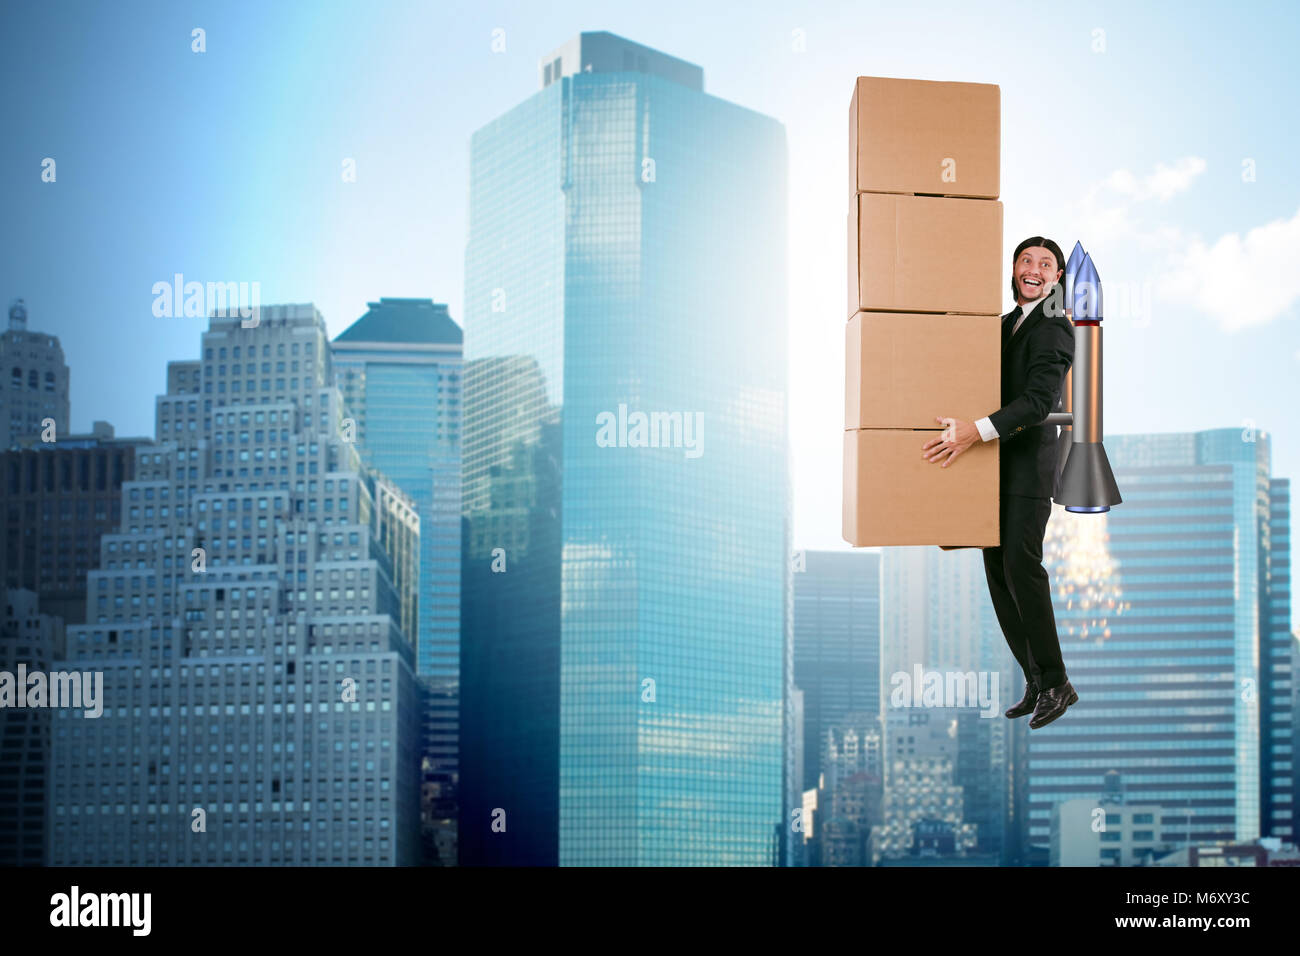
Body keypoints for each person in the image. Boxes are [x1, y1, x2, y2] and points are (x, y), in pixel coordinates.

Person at [920, 236, 1077, 729]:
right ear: (1013, 270)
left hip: (1028, 468)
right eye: (1026, 260)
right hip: (990, 469)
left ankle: (1057, 682)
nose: (1034, 268)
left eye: (1045, 264)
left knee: (1021, 567)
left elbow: (1037, 402)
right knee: (998, 575)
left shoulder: (1055, 328)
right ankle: (1033, 677)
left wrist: (975, 431)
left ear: (1056, 280)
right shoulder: (1003, 326)